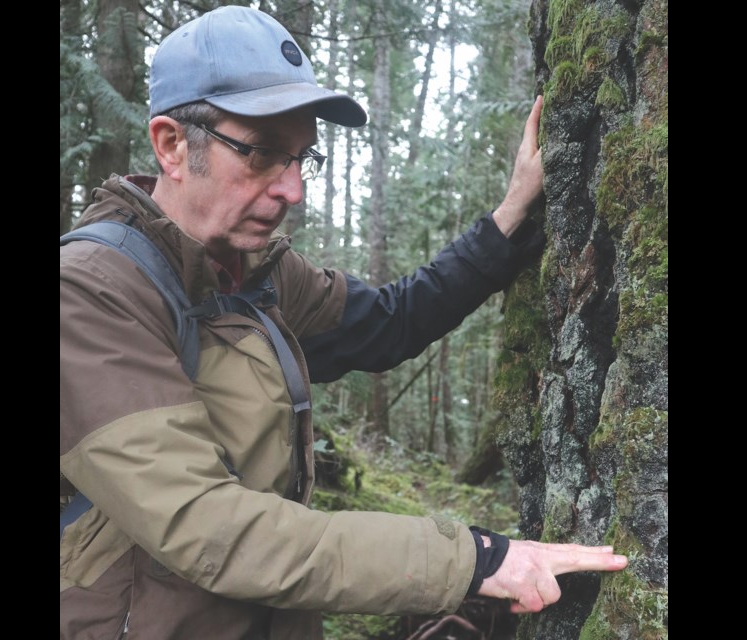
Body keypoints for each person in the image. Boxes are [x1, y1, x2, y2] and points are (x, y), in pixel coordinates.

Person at [60, 6, 627, 639]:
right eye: (263, 154)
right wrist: (475, 560)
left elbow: (390, 322)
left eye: (304, 159)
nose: (293, 191)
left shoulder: (257, 276)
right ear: (171, 145)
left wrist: (510, 218)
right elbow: (206, 525)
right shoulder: (91, 292)